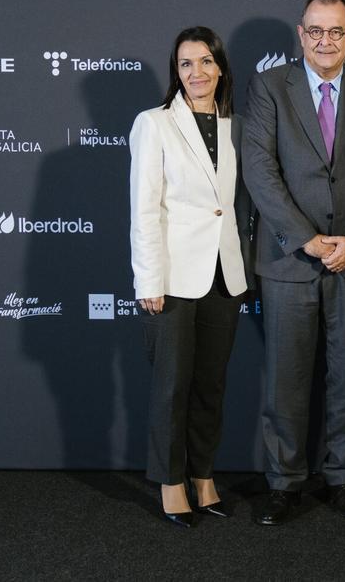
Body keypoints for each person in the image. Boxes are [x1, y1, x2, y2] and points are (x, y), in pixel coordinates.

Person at [241, 0, 345, 526]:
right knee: (286, 379)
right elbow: (258, 169)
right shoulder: (268, 88)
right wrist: (305, 238)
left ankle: (343, 478)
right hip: (289, 260)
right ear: (300, 34)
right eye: (315, 31)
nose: (325, 41)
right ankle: (283, 483)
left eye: (336, 31)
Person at [129, 26, 249, 527]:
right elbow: (144, 209)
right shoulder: (154, 124)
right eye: (185, 64)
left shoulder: (235, 125)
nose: (196, 73)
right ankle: (171, 481)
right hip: (174, 278)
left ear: (220, 67)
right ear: (174, 71)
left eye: (205, 62)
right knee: (171, 386)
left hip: (225, 275)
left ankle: (203, 476)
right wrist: (149, 281)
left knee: (210, 386)